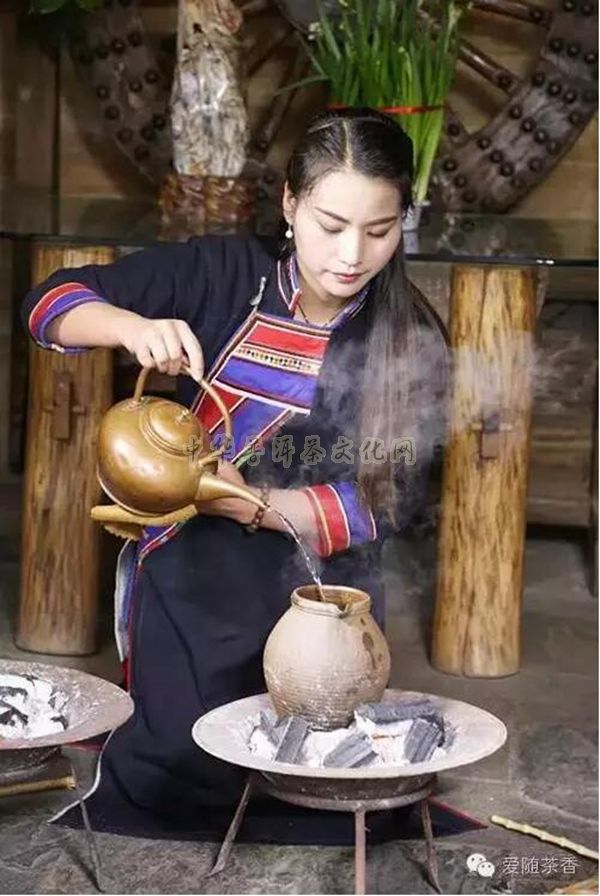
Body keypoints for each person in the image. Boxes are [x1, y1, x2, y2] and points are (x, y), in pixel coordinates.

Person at [22, 107, 448, 841]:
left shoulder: (409, 334)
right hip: (193, 560)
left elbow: (384, 505)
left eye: (379, 231)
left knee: (316, 759)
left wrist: (250, 501)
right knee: (182, 765)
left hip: (320, 578)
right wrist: (131, 328)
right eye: (330, 225)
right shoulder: (220, 272)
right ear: (290, 204)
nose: (351, 254)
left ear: (402, 221)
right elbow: (48, 305)